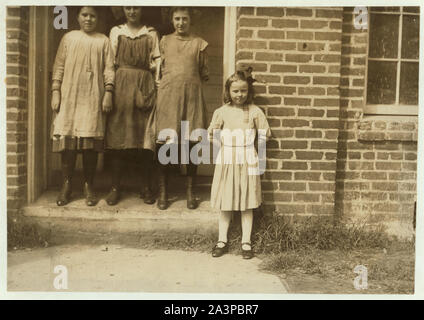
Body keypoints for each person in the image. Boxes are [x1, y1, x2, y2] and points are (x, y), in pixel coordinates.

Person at [51, 6, 114, 207]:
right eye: (84, 15)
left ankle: (89, 185)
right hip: (70, 96)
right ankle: (67, 185)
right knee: (68, 144)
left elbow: (109, 69)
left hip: (93, 96)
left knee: (89, 146)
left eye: (93, 15)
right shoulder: (69, 38)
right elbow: (59, 65)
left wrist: (109, 93)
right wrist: (55, 91)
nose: (88, 19)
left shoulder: (103, 40)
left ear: (98, 18)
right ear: (78, 17)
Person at [207, 70, 271, 259]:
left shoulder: (254, 111)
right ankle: (222, 240)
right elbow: (211, 134)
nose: (239, 95)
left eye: (243, 91)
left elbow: (265, 133)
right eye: (235, 91)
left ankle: (246, 242)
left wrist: (254, 151)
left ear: (248, 91)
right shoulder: (222, 112)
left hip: (247, 158)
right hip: (228, 159)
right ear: (228, 91)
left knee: (247, 203)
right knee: (226, 202)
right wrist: (224, 147)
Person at [105, 6, 161, 205]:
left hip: (145, 84)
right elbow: (109, 62)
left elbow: (158, 62)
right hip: (121, 85)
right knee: (119, 137)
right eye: (128, 7)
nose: (132, 11)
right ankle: (115, 187)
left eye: (136, 7)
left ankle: (145, 186)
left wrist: (156, 89)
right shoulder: (116, 32)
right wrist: (109, 91)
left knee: (144, 139)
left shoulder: (151, 33)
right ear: (123, 9)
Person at [155, 7, 209, 210]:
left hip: (192, 98)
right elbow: (159, 71)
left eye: (184, 19)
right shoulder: (164, 41)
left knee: (192, 142)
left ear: (190, 20)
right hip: (169, 97)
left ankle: (190, 191)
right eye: (177, 19)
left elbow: (204, 73)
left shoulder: (200, 44)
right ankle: (163, 191)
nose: (180, 23)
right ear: (171, 20)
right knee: (165, 143)